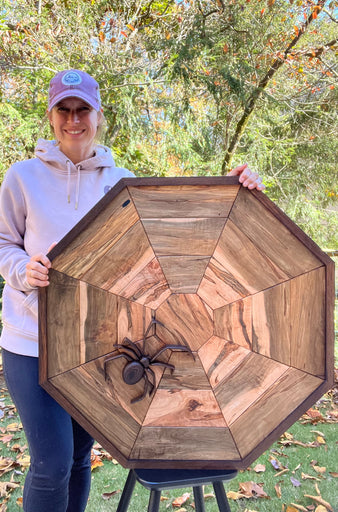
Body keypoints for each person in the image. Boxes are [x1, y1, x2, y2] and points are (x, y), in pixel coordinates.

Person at [0, 69, 265, 512]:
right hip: (31, 342)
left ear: (98, 115)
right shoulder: (22, 177)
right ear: (51, 117)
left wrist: (235, 189)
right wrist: (23, 270)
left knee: (81, 458)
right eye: (63, 110)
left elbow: (169, 234)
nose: (73, 119)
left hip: (96, 347)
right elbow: (3, 243)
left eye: (82, 109)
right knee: (52, 462)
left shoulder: (120, 180)